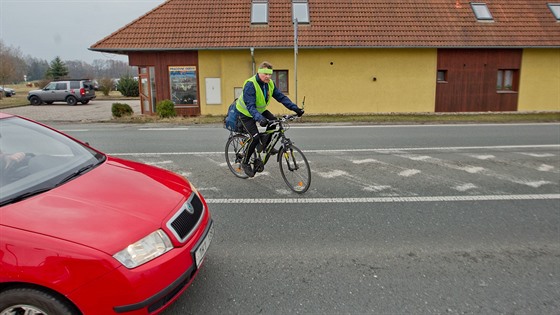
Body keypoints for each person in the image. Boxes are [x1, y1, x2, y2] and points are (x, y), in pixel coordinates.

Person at [236, 61, 304, 177]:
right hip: (245, 113)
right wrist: (259, 119)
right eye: (265, 74)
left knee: (273, 122)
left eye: (270, 74)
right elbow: (250, 106)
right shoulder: (250, 84)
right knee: (255, 137)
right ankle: (246, 162)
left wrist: (295, 109)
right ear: (259, 73)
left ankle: (265, 146)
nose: (268, 76)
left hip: (260, 111)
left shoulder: (270, 84)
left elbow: (281, 97)